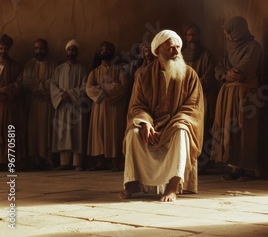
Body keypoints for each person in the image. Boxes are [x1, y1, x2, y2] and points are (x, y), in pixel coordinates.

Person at [119, 29, 204, 202]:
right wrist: (144, 122)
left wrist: (176, 122)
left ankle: (172, 186)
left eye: (177, 47)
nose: (176, 51)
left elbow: (193, 108)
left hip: (176, 124)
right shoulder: (143, 75)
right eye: (170, 48)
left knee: (182, 130)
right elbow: (137, 105)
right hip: (151, 125)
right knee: (133, 133)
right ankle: (131, 185)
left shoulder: (190, 75)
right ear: (157, 51)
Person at [211, 16, 263, 181]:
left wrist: (228, 74)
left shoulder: (254, 47)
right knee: (229, 129)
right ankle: (235, 167)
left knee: (244, 129)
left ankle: (247, 169)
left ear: (239, 30)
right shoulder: (230, 49)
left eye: (230, 33)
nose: (228, 37)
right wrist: (226, 74)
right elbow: (219, 68)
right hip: (228, 94)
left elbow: (241, 71)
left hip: (245, 94)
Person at [86, 41, 129, 171]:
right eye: (102, 49)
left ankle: (115, 161)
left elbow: (123, 86)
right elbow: (88, 88)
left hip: (114, 107)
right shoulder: (94, 72)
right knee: (98, 132)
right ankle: (100, 161)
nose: (104, 51)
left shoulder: (120, 70)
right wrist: (108, 88)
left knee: (113, 132)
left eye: (107, 49)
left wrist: (103, 88)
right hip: (99, 107)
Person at [182, 23, 217, 174]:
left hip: (202, 96)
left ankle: (202, 162)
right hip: (185, 98)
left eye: (194, 35)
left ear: (199, 36)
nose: (192, 38)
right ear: (185, 37)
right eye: (189, 35)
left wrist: (194, 87)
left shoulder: (206, 55)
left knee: (203, 128)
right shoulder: (181, 55)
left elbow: (208, 76)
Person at [50, 39, 90, 171]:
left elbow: (85, 86)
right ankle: (64, 162)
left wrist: (71, 94)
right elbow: (53, 85)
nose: (71, 52)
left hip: (77, 106)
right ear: (66, 51)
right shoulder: (59, 69)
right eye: (69, 49)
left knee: (77, 133)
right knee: (63, 132)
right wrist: (61, 95)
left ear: (77, 52)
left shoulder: (83, 69)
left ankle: (77, 163)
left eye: (73, 50)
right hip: (62, 105)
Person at [23, 39, 57, 169]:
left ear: (46, 49)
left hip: (47, 102)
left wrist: (38, 86)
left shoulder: (53, 65)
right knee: (33, 131)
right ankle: (35, 159)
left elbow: (53, 83)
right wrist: (38, 87)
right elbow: (26, 82)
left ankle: (47, 159)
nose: (39, 51)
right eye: (36, 48)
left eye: (41, 48)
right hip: (32, 103)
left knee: (46, 130)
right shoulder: (29, 64)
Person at [0, 34, 25, 166]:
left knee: (9, 131)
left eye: (5, 49)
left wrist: (4, 90)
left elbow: (19, 84)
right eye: (0, 48)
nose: (3, 51)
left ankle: (8, 162)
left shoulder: (16, 66)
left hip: (9, 107)